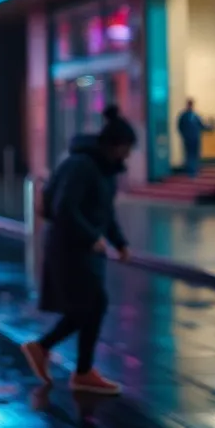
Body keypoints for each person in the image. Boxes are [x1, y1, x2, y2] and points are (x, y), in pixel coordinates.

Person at [22, 105, 136, 395]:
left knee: (88, 307)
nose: (128, 155)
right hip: (69, 248)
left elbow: (105, 212)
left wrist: (119, 241)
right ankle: (75, 367)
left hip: (86, 249)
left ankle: (51, 352)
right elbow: (64, 208)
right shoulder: (81, 165)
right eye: (126, 148)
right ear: (115, 145)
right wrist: (90, 237)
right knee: (93, 304)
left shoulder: (104, 170)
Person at [176, 99, 212, 175]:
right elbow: (180, 126)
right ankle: (190, 170)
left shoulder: (195, 116)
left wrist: (209, 127)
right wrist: (184, 135)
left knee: (195, 154)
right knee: (189, 154)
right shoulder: (183, 116)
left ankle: (195, 169)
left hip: (196, 138)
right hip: (188, 138)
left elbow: (201, 125)